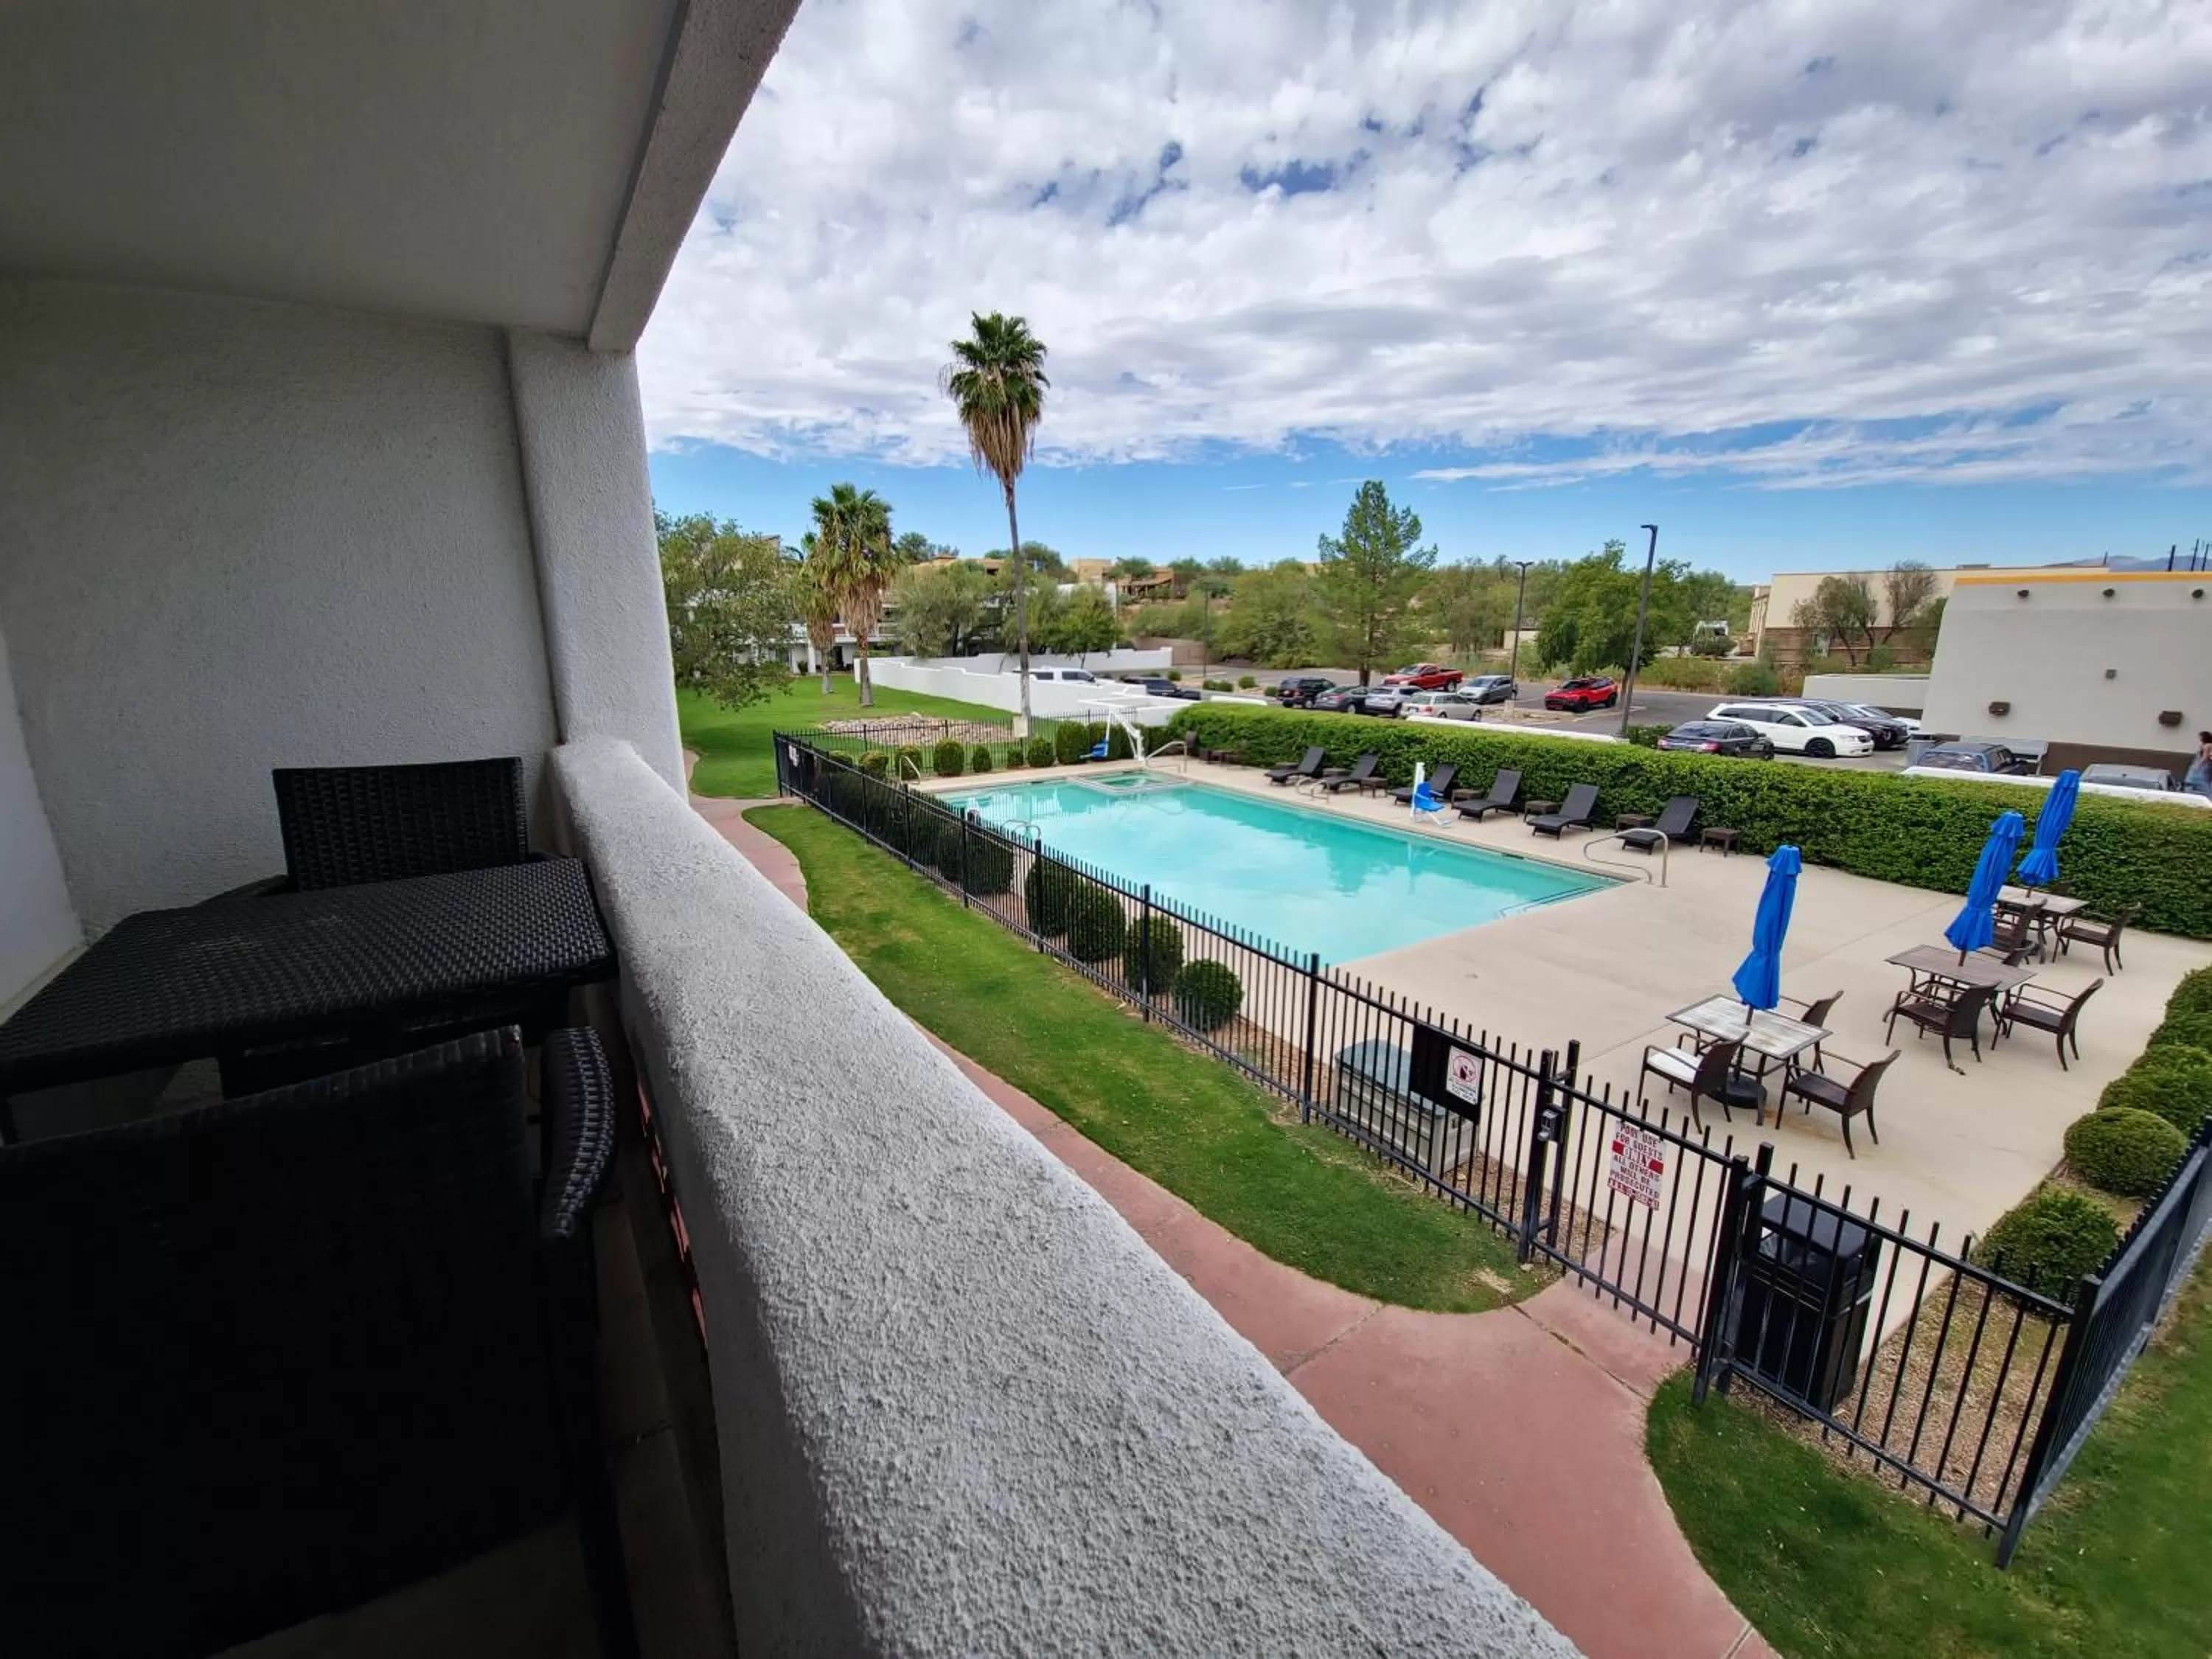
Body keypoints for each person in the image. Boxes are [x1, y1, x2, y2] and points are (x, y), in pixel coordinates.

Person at [2190, 729, 2212, 799]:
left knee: (2205, 781)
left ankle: (2209, 795)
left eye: (2200, 737)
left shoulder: (2207, 746)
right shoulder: (2210, 745)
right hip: (2210, 764)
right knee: (2208, 780)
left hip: (2207, 765)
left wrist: (2198, 765)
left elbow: (2205, 757)